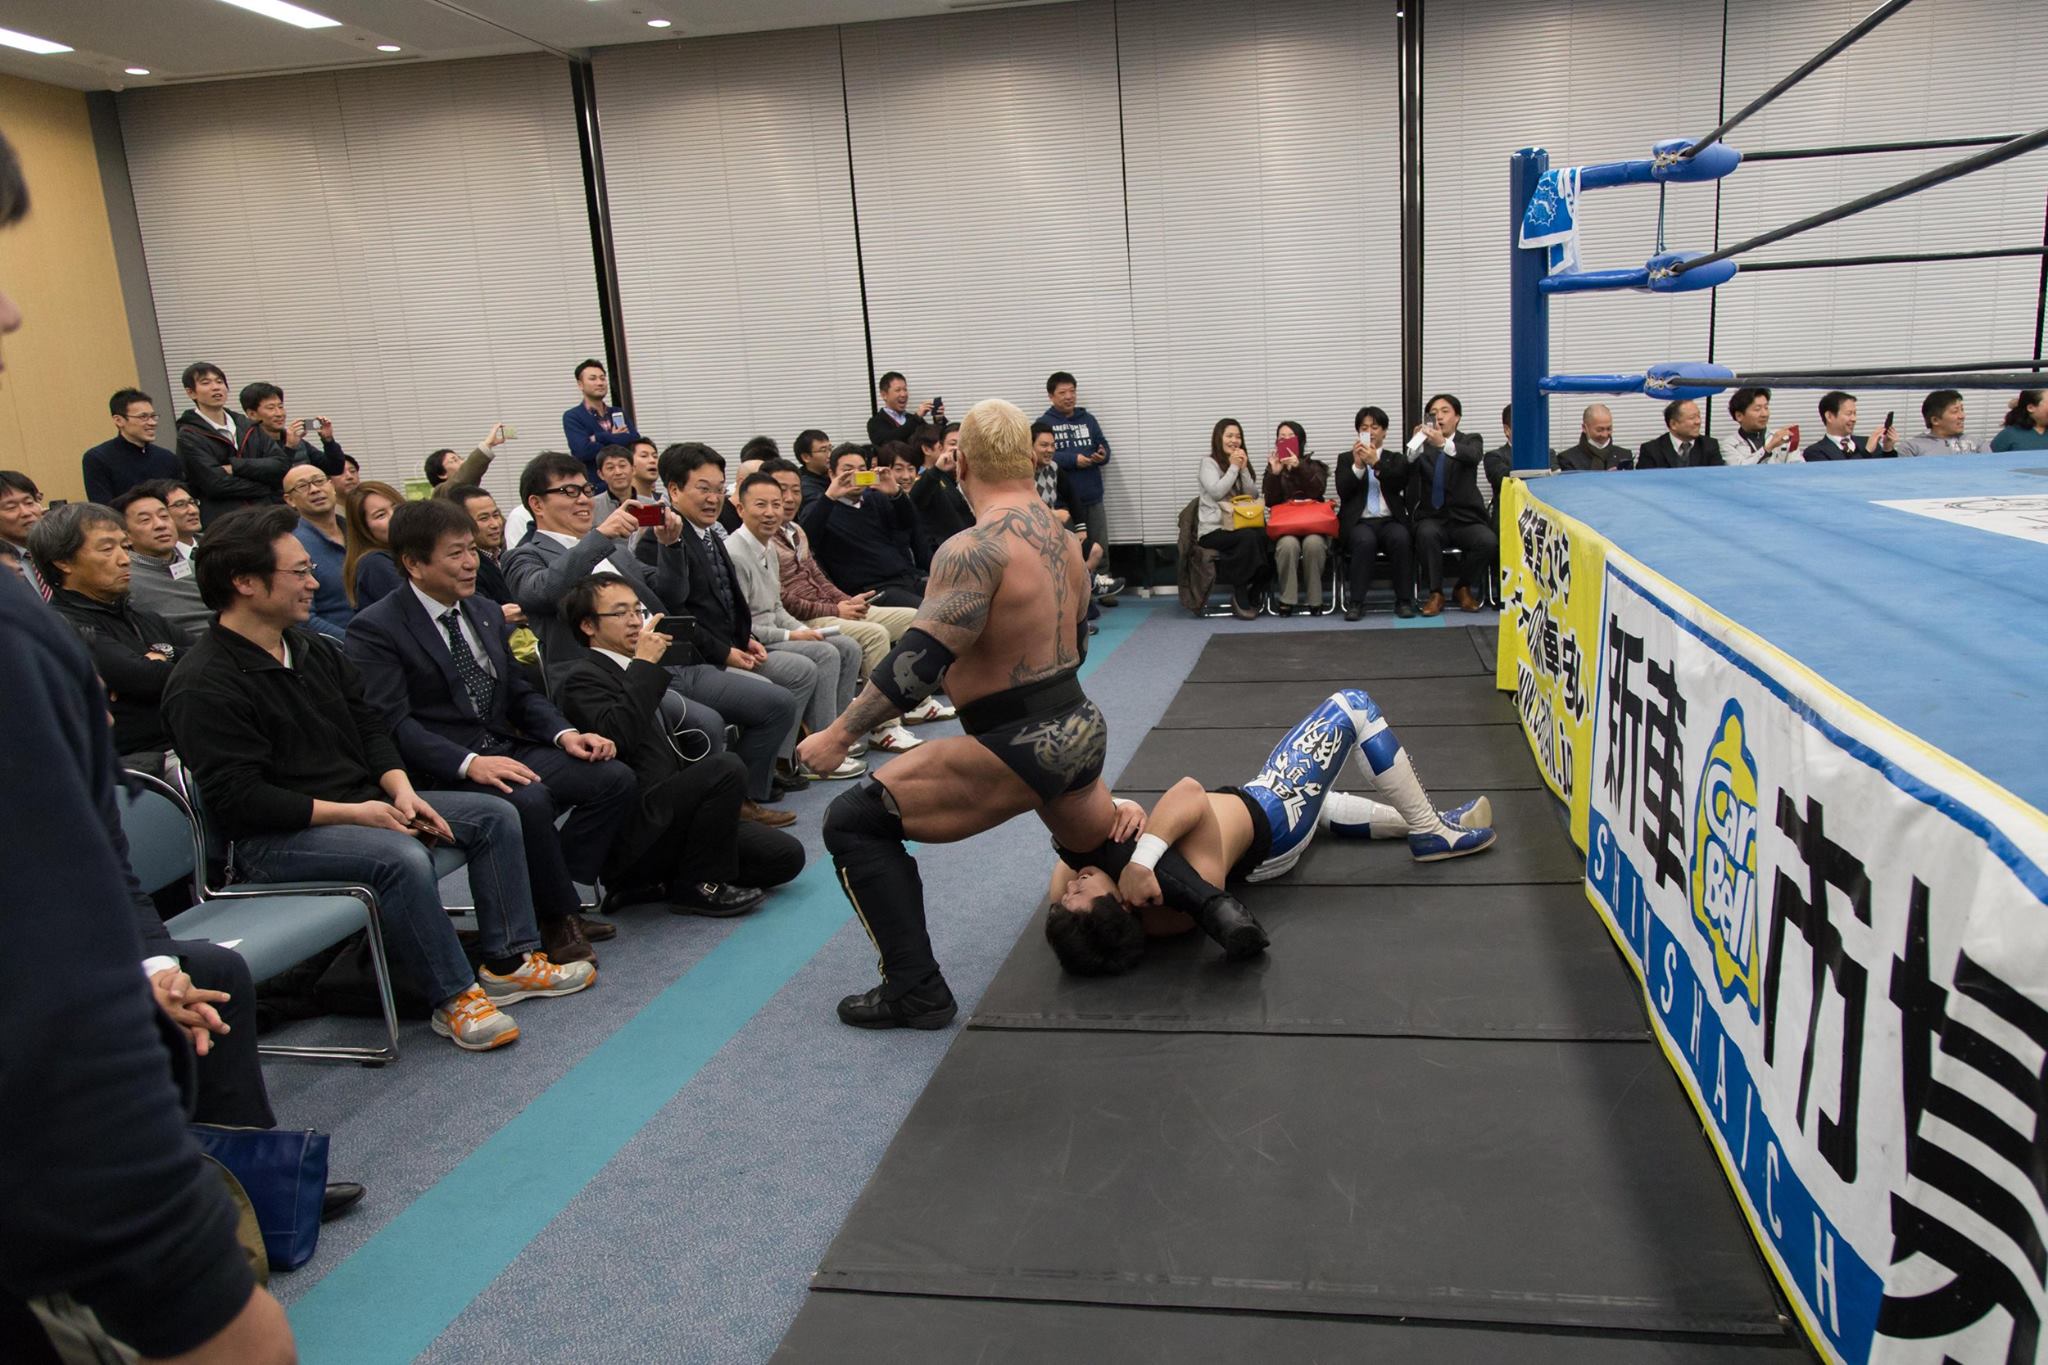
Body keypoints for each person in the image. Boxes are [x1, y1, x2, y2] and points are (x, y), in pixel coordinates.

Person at [161, 505, 597, 1053]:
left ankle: (508, 961)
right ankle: (453, 995)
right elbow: (240, 800)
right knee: (398, 856)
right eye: (299, 572)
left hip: (359, 804)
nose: (314, 582)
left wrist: (400, 788)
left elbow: (370, 725)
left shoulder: (310, 649)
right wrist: (357, 814)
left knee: (496, 813)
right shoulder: (203, 682)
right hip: (274, 839)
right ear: (245, 582)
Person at [796, 397, 1117, 1030]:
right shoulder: (1064, 538)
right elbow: (1077, 645)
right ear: (1032, 459)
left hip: (1017, 744)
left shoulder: (974, 547)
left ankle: (914, 989)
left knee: (853, 822)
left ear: (960, 463)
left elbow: (918, 661)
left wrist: (838, 733)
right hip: (1081, 727)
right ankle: (1197, 906)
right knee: (1101, 853)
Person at [345, 497, 634, 965]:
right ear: (414, 564)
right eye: (455, 553)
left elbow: (519, 692)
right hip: (441, 765)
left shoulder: (482, 610)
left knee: (612, 777)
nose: (470, 563)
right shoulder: (376, 628)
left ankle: (548, 887)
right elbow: (392, 724)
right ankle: (558, 915)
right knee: (529, 800)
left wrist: (565, 735)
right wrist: (470, 764)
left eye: (472, 550)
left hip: (502, 744)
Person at [1044, 690, 1496, 975]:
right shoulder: (1171, 911)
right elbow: (1188, 793)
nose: (1072, 887)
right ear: (1119, 907)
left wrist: (1123, 808)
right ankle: (1432, 832)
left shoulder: (1077, 888)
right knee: (1354, 707)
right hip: (1277, 815)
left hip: (1261, 813)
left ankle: (1432, 816)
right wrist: (1142, 861)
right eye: (1079, 895)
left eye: (1067, 897)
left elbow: (1081, 837)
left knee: (1325, 804)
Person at [554, 576, 805, 914]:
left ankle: (663, 881)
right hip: (636, 825)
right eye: (620, 613)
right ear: (588, 625)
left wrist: (642, 667)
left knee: (786, 857)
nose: (635, 621)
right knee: (726, 766)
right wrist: (644, 665)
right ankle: (697, 885)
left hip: (672, 813)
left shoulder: (632, 669)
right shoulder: (581, 678)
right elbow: (619, 737)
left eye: (637, 611)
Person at [657, 443, 821, 803]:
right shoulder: (662, 540)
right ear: (674, 490)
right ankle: (745, 793)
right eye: (703, 488)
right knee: (779, 695)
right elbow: (675, 613)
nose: (713, 498)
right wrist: (726, 652)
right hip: (694, 662)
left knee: (807, 667)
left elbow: (730, 605)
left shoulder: (709, 534)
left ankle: (760, 780)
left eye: (719, 489)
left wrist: (743, 639)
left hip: (727, 648)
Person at [763, 460, 930, 751]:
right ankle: (884, 727)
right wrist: (835, 609)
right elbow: (783, 599)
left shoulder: (795, 530)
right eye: (781, 492)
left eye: (795, 491)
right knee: (874, 634)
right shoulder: (763, 539)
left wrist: (843, 600)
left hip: (832, 605)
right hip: (802, 619)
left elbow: (817, 576)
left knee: (914, 617)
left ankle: (916, 701)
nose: (788, 499)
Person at [726, 469, 870, 779]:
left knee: (847, 646)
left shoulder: (769, 547)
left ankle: (838, 736)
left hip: (776, 633)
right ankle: (818, 752)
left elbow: (776, 607)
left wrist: (804, 630)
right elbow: (742, 626)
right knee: (825, 653)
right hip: (754, 643)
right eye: (761, 505)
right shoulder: (735, 553)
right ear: (740, 508)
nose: (771, 512)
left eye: (776, 505)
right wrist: (793, 634)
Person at [33, 503, 191, 774]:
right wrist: (158, 665)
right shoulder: (63, 625)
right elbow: (146, 677)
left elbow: (212, 656)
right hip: (146, 762)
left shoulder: (140, 616)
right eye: (107, 549)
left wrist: (165, 653)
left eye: (125, 547)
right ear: (63, 561)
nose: (124, 559)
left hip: (190, 739)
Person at [799, 443, 927, 606]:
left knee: (954, 596)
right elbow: (807, 539)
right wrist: (829, 496)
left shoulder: (876, 498)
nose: (856, 475)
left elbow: (909, 524)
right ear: (831, 474)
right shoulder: (821, 507)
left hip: (907, 579)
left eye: (861, 469)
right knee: (931, 611)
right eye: (848, 470)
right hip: (872, 590)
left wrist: (896, 494)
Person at [1408, 393, 1494, 616]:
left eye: (1445, 411)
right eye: (1433, 413)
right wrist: (1415, 445)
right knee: (1426, 534)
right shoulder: (1423, 445)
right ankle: (1435, 593)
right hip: (1433, 517)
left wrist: (1443, 443)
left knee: (1487, 541)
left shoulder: (1471, 439)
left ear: (1457, 417)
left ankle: (1462, 587)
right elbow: (1407, 467)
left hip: (1466, 518)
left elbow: (1473, 456)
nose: (1439, 417)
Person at [1336, 405, 1413, 621]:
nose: (1369, 431)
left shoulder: (1395, 458)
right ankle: (1356, 602)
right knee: (1364, 541)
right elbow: (1343, 491)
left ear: (1384, 432)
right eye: (1364, 428)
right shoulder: (1346, 458)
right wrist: (1359, 466)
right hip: (1360, 522)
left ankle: (1404, 600)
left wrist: (1376, 463)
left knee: (1401, 538)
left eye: (1375, 427)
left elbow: (1399, 482)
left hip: (1389, 520)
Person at [1039, 371, 1114, 579]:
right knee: (1072, 547)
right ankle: (1075, 585)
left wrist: (1102, 455)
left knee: (1099, 543)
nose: (1069, 396)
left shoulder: (1088, 420)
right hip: (1063, 502)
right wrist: (1074, 460)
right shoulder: (1045, 423)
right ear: (1051, 396)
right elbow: (1042, 454)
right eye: (1062, 392)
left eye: (1072, 391)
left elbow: (1103, 446)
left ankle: (1102, 581)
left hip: (1092, 495)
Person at [1196, 418, 1270, 620]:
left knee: (1264, 534)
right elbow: (1217, 492)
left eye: (1238, 436)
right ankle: (1240, 590)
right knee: (1247, 538)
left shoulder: (1239, 462)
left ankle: (1258, 585)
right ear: (1218, 438)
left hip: (1239, 524)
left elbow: (1252, 495)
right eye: (1229, 436)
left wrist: (1244, 469)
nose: (1234, 440)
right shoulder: (1208, 463)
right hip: (1214, 529)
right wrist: (1234, 468)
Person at [113, 482, 211, 634]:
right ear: (126, 536)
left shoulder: (194, 562)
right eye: (145, 520)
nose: (160, 525)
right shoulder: (125, 578)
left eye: (164, 516)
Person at [1262, 419, 1330, 615]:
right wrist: (1275, 474)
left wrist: (1299, 467)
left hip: (1313, 525)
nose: (1286, 440)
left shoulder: (1314, 466)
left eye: (1291, 437)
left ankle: (1315, 599)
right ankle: (1287, 599)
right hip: (1286, 527)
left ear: (1300, 441)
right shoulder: (1273, 468)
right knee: (1287, 545)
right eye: (1281, 438)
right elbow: (1270, 501)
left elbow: (1318, 490)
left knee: (1313, 544)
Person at [283, 462, 352, 640]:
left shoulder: (357, 531)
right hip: (339, 644)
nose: (314, 490)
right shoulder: (293, 546)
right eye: (302, 486)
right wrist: (356, 643)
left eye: (319, 481)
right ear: (290, 500)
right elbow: (304, 618)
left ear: (332, 486)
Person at [82, 388, 181, 505]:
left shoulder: (167, 458)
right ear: (119, 420)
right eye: (143, 417)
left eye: (153, 416)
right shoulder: (98, 458)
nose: (152, 423)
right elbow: (103, 508)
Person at [445, 482, 523, 622]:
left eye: (496, 515)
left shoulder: (507, 555)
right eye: (484, 518)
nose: (495, 524)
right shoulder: (467, 567)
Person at [238, 380, 344, 476]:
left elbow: (335, 468)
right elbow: (274, 479)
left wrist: (328, 440)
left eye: (281, 407)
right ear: (252, 414)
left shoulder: (293, 439)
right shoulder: (248, 447)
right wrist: (289, 448)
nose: (279, 413)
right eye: (271, 408)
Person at [562, 358, 640, 485]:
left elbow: (634, 442)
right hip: (596, 487)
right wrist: (617, 439)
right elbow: (582, 452)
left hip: (627, 484)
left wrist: (599, 437)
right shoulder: (573, 416)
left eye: (602, 378)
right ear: (580, 384)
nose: (600, 383)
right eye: (593, 379)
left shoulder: (617, 412)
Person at [342, 480, 405, 610]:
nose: (394, 516)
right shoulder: (374, 563)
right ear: (363, 528)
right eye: (381, 515)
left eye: (396, 507)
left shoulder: (405, 552)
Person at [911, 422, 975, 543]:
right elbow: (916, 500)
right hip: (948, 548)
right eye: (953, 444)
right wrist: (937, 469)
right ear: (941, 448)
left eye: (963, 444)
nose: (958, 449)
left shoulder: (973, 477)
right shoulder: (933, 478)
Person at [1804, 391, 1896, 460]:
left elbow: (1887, 472)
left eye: (1855, 413)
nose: (1854, 419)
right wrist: (1867, 451)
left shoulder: (1868, 442)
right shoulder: (1815, 452)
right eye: (1849, 414)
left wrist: (1888, 449)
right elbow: (1840, 475)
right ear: (1829, 416)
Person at [1634, 398, 1722, 469]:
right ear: (1673, 424)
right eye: (1692, 418)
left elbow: (1718, 478)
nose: (1698, 422)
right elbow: (1645, 482)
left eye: (1698, 416)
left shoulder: (1709, 445)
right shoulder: (1651, 450)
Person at [0, 469, 46, 597]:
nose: (26, 512)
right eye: (11, 507)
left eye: (29, 503)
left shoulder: (60, 551)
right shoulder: (3, 564)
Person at [866, 370, 939, 450]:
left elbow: (934, 440)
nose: (903, 394)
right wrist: (916, 418)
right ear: (884, 395)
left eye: (905, 389)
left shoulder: (913, 419)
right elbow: (888, 440)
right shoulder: (875, 422)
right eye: (898, 390)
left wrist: (939, 419)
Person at [424, 424, 510, 492]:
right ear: (442, 474)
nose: (463, 462)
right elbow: (465, 476)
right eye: (454, 460)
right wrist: (488, 444)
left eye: (460, 458)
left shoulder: (471, 492)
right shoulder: (442, 492)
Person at [1724, 387, 1797, 464]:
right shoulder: (1729, 444)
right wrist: (1768, 448)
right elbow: (1739, 469)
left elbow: (1798, 466)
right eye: (1757, 409)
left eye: (1766, 407)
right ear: (1739, 416)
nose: (1765, 414)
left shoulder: (1783, 438)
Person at [1899, 390, 1983, 456]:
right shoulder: (1911, 447)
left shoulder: (1977, 443)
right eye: (1955, 411)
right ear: (1935, 420)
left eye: (1962, 409)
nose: (1962, 416)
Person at [1554, 403, 1622, 472]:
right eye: (1599, 430)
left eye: (1609, 429)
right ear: (1584, 428)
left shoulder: (1624, 456)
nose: (1605, 435)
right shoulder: (1566, 459)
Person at [794, 427, 834, 512]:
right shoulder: (803, 485)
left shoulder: (832, 475)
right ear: (806, 457)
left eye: (830, 449)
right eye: (823, 450)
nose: (830, 455)